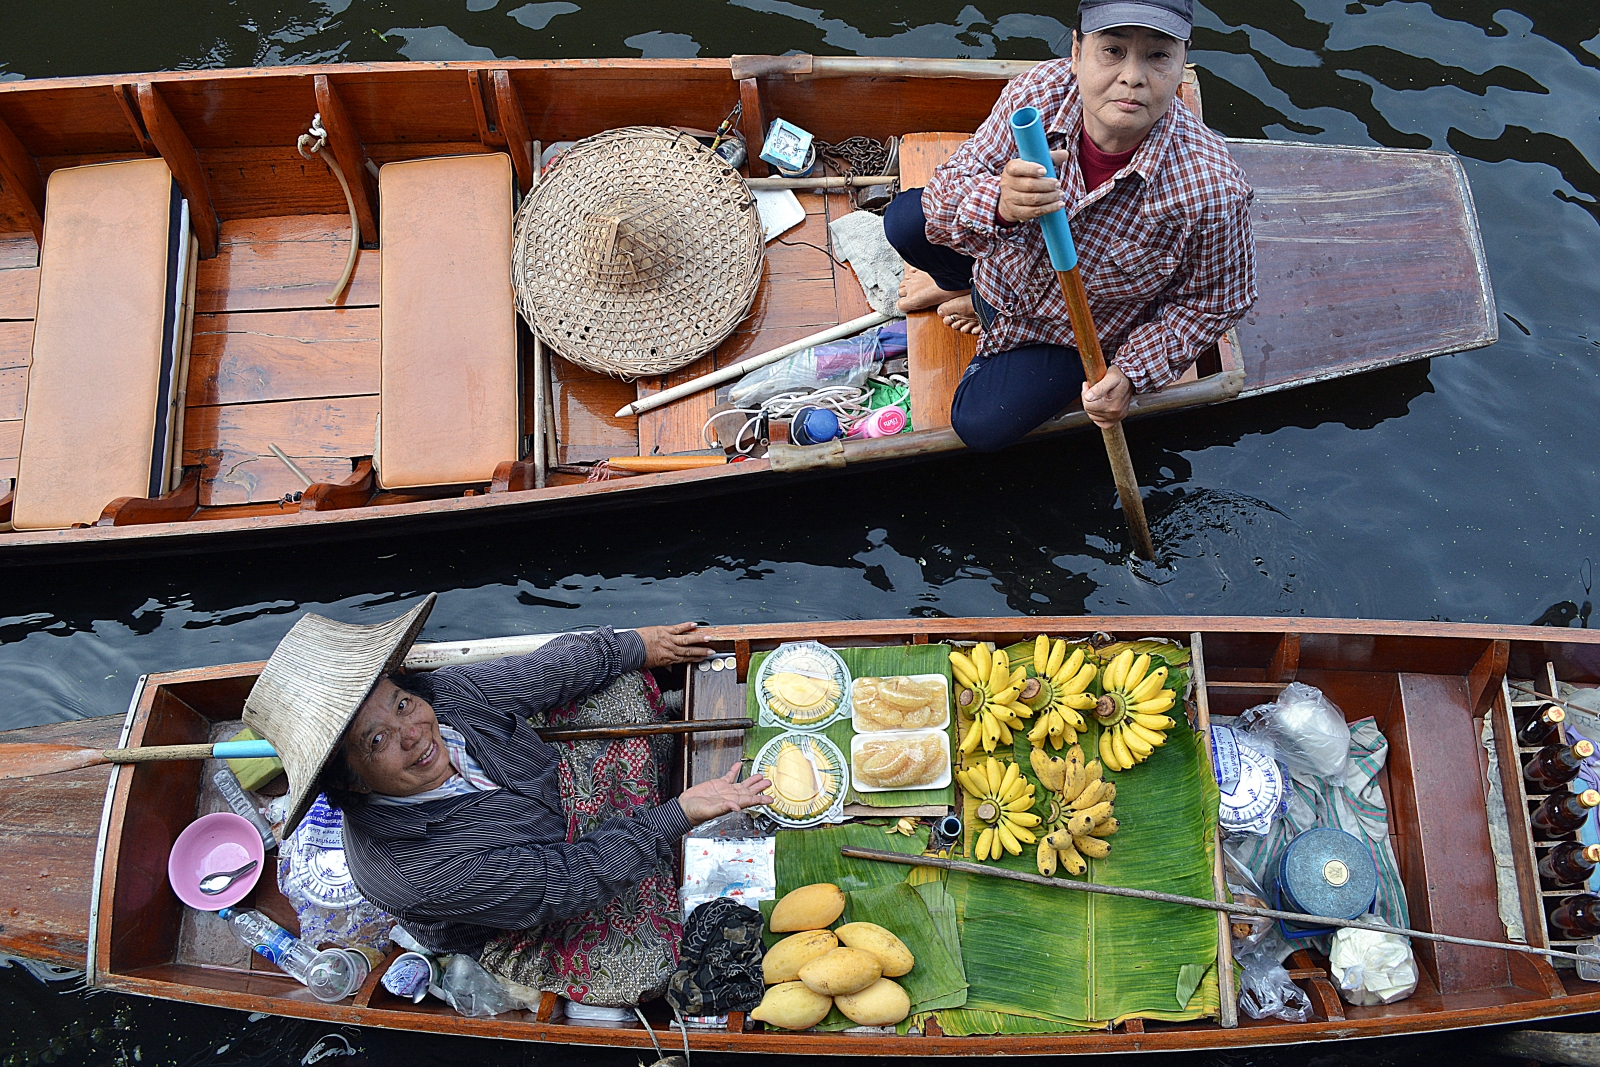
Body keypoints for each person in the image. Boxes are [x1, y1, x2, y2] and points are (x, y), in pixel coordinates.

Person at [241, 593, 770, 1008]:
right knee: (647, 968)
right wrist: (677, 814)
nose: (413, 733)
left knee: (618, 680)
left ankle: (641, 832)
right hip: (528, 910)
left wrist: (636, 643)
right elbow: (562, 880)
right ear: (352, 782)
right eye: (375, 741)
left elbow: (532, 676)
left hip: (553, 800)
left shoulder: (440, 695)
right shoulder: (409, 870)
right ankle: (648, 831)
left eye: (403, 704)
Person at [882, 0, 1257, 452]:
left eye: (1158, 56)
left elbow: (1215, 302)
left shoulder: (1213, 188)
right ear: (1077, 53)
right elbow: (947, 194)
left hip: (1075, 333)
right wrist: (1000, 202)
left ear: (1182, 61)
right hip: (1002, 270)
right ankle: (968, 290)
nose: (1133, 77)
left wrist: (1132, 373)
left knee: (978, 425)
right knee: (905, 219)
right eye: (1112, 51)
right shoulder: (1038, 94)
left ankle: (978, 306)